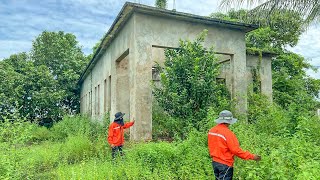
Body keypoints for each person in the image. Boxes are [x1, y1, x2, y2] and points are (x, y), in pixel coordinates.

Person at [208, 110, 261, 180]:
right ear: (229, 122)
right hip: (225, 164)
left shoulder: (211, 131)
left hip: (215, 162)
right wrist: (252, 156)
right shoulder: (228, 133)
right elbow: (236, 150)